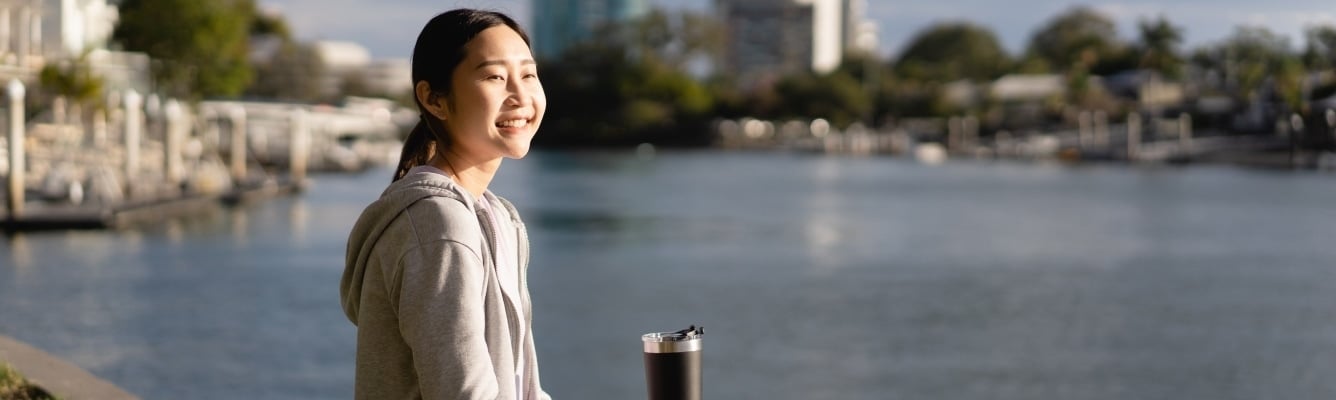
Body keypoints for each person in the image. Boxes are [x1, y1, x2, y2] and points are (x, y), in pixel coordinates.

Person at [341, 8, 550, 400]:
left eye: (528, 74)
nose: (520, 96)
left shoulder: (500, 217)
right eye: (494, 77)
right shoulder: (439, 224)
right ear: (434, 99)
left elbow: (524, 388)